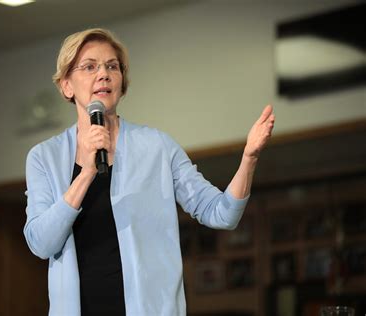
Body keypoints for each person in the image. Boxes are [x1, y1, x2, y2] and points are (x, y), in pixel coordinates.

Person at [23, 28, 275, 316]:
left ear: (122, 82)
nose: (103, 74)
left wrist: (249, 158)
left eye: (112, 66)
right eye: (90, 66)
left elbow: (222, 213)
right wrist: (86, 174)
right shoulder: (44, 157)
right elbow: (41, 243)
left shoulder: (157, 146)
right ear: (67, 86)